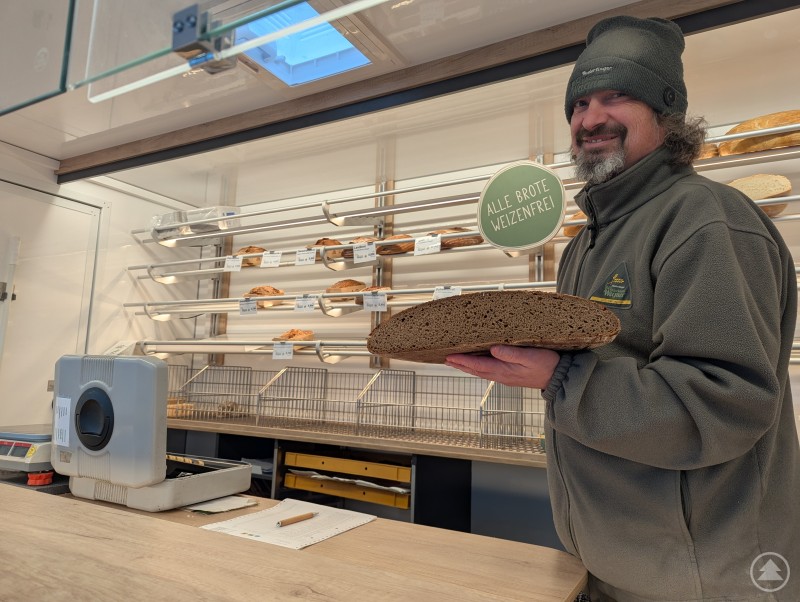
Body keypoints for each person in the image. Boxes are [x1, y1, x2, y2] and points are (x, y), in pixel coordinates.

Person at [445, 15, 800, 601]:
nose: (591, 119)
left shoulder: (705, 220)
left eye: (616, 97)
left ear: (666, 112)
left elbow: (721, 405)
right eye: (579, 104)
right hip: (613, 569)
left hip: (704, 581)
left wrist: (559, 376)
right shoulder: (587, 242)